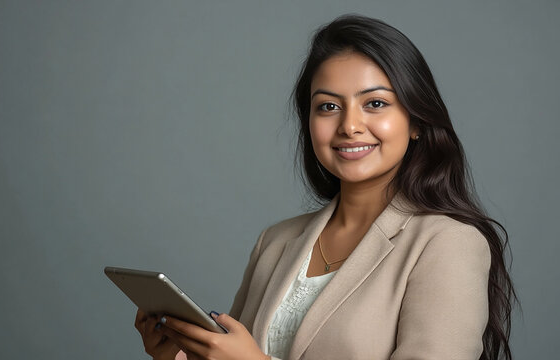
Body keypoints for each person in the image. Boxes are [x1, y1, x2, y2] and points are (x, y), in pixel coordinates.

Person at [134, 15, 516, 360]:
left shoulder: (448, 243)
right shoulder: (276, 241)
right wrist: (179, 356)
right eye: (328, 107)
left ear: (416, 121)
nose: (349, 125)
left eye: (375, 103)